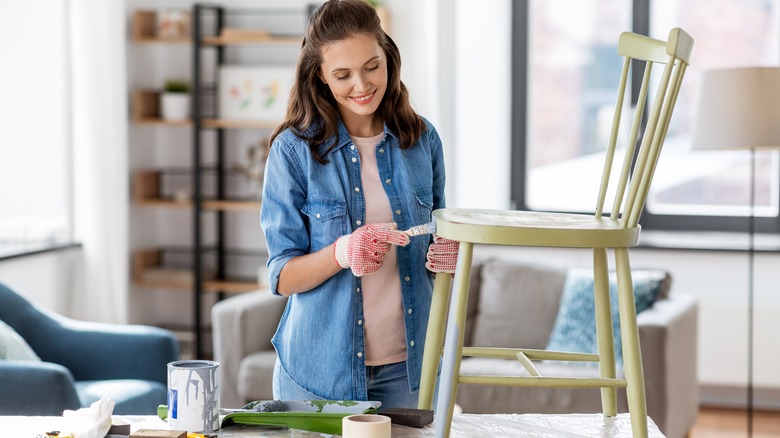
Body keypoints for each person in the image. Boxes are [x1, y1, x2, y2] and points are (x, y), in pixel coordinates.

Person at [260, 0, 459, 410]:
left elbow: (437, 242)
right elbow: (281, 276)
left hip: (412, 370)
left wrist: (444, 256)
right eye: (343, 74)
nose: (362, 84)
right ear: (321, 77)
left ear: (387, 56)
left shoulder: (422, 141)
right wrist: (342, 252)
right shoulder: (293, 152)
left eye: (371, 66)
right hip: (318, 374)